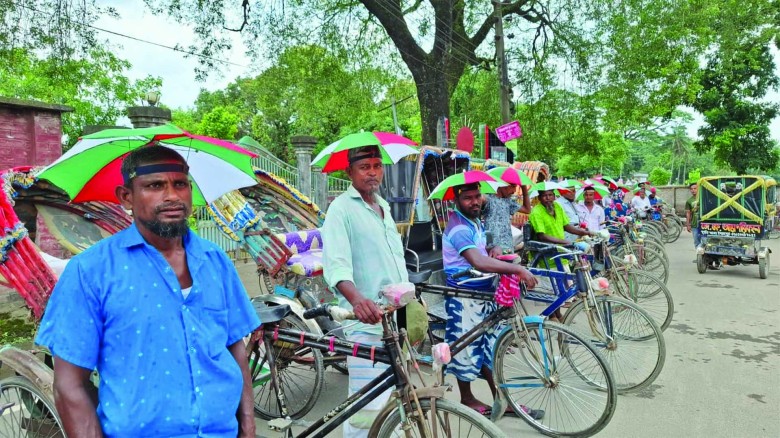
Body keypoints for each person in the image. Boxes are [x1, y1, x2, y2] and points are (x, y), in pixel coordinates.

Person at [35, 145, 260, 438]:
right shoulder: (91, 271)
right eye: (155, 186)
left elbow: (234, 347)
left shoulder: (216, 261)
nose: (172, 196)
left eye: (180, 184)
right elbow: (69, 385)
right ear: (126, 197)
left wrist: (248, 425)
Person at [321, 146, 408, 437]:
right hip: (365, 322)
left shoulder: (383, 206)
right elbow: (336, 266)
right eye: (364, 167)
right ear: (350, 172)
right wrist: (358, 300)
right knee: (366, 407)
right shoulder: (341, 209)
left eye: (377, 165)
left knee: (395, 399)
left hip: (393, 319)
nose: (372, 172)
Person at [442, 182, 541, 418]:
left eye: (477, 196)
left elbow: (481, 249)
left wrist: (493, 247)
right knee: (466, 350)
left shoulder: (474, 221)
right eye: (468, 198)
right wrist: (517, 270)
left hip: (481, 291)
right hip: (464, 296)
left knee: (490, 348)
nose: (475, 202)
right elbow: (477, 261)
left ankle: (502, 399)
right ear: (457, 200)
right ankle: (467, 398)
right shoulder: (458, 227)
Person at [483, 181, 531, 254]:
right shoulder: (488, 199)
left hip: (508, 247)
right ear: (501, 184)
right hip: (492, 249)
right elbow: (480, 198)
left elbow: (527, 210)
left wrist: (524, 188)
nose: (514, 191)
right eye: (513, 186)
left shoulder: (509, 202)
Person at [685, 182, 701, 249]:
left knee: (704, 241)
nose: (693, 190)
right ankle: (698, 255)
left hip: (704, 224)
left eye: (695, 188)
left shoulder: (703, 198)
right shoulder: (689, 201)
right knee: (696, 241)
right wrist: (688, 224)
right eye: (691, 189)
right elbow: (688, 213)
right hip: (694, 224)